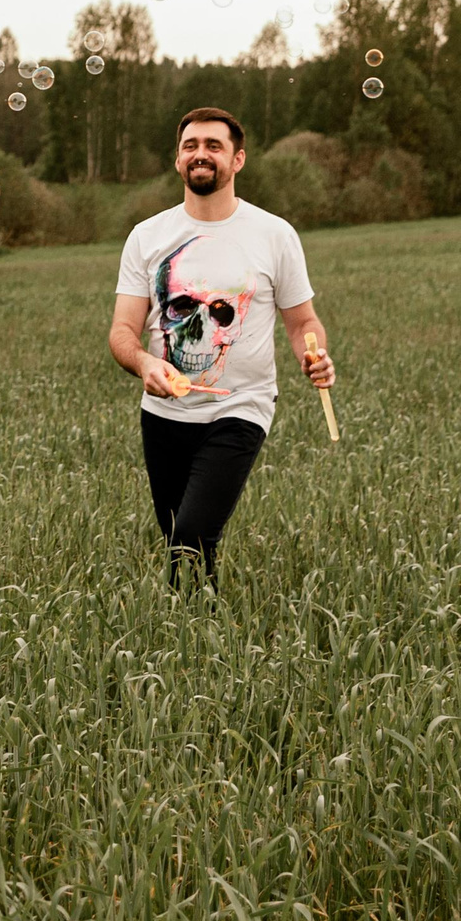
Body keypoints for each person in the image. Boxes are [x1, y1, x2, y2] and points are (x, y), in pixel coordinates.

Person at [106, 107, 334, 584]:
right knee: (178, 543)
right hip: (163, 413)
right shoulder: (147, 237)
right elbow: (123, 331)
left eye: (214, 145)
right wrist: (144, 361)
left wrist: (313, 355)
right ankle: (195, 641)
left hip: (241, 408)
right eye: (190, 145)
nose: (200, 154)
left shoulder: (274, 235)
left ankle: (194, 640)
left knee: (190, 535)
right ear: (177, 160)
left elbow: (302, 321)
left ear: (238, 160)